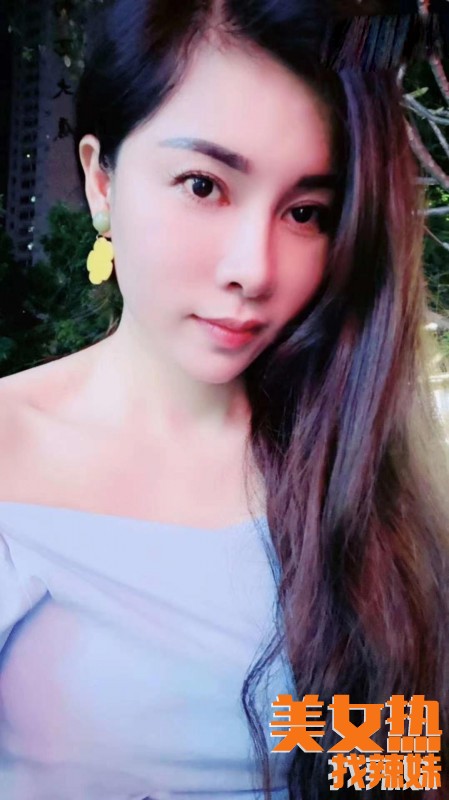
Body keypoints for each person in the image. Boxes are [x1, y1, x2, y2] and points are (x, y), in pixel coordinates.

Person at [0, 1, 448, 799]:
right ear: (101, 180)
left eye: (306, 213)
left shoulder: (370, 474)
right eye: (202, 185)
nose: (254, 269)